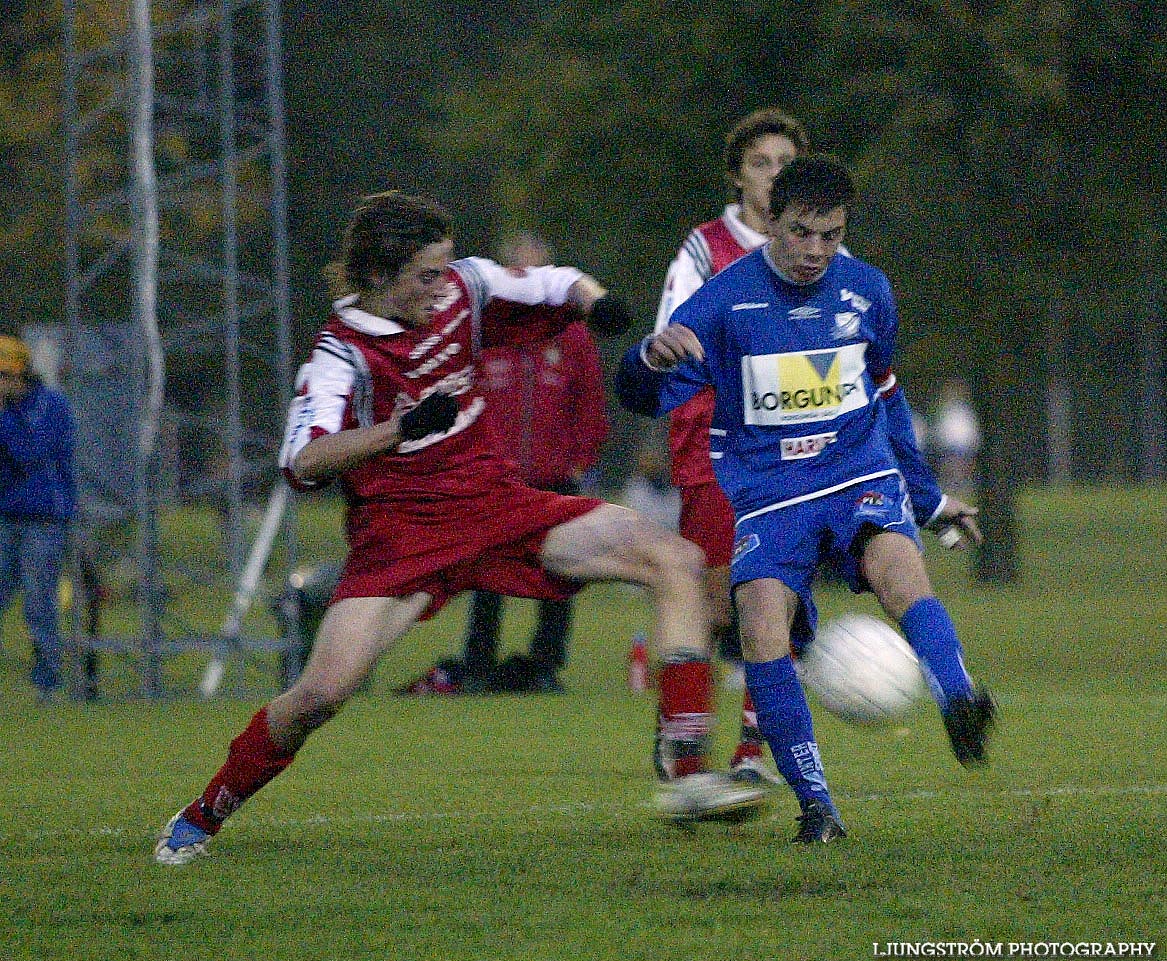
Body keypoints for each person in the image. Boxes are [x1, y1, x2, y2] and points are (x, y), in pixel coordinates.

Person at [154, 190, 765, 865]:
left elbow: (555, 282)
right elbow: (304, 460)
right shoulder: (340, 353)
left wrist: (600, 305)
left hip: (495, 504)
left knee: (672, 559)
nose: (441, 285)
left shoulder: (463, 286)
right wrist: (398, 429)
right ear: (379, 278)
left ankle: (684, 773)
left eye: (444, 268)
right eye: (424, 274)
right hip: (401, 537)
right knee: (320, 695)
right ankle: (207, 810)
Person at [617, 155, 995, 844]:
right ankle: (817, 807)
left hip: (857, 475)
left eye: (830, 234)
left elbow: (885, 394)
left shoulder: (867, 290)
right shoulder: (722, 303)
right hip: (767, 496)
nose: (815, 251)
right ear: (770, 222)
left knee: (896, 571)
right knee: (760, 622)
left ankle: (957, 693)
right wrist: (646, 360)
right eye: (800, 233)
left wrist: (927, 499)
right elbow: (644, 396)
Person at [652, 108, 817, 787]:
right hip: (714, 445)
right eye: (760, 164)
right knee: (715, 600)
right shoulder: (704, 249)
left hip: (792, 447)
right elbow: (672, 340)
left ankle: (754, 752)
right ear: (737, 176)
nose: (772, 176)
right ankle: (678, 739)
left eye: (784, 164)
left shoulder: (813, 250)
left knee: (772, 593)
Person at [459, 232, 609, 694]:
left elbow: (589, 403)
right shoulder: (484, 331)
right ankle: (478, 665)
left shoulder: (572, 334)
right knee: (488, 572)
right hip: (496, 475)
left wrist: (582, 459)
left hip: (555, 477)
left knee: (562, 572)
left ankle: (545, 665)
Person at [0, 334, 77, 703]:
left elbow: (30, 453)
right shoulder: (8, 411)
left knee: (38, 601)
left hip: (43, 519)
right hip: (6, 515)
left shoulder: (51, 406)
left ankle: (47, 683)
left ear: (19, 374)